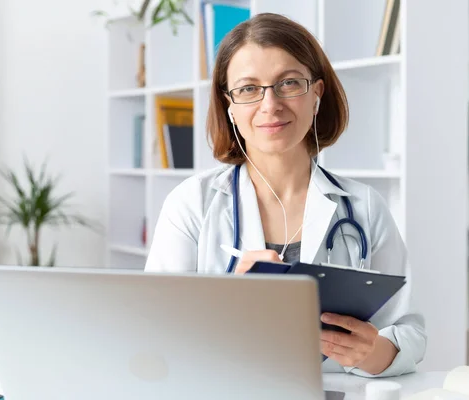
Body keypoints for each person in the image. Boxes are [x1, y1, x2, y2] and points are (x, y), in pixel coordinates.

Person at [144, 13, 426, 378]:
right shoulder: (192, 204)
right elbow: (152, 334)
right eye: (248, 89)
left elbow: (411, 331)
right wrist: (227, 302)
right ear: (229, 104)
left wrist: (371, 353)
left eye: (289, 83)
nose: (270, 104)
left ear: (316, 94)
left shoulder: (364, 207)